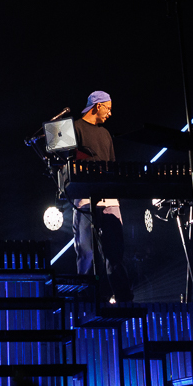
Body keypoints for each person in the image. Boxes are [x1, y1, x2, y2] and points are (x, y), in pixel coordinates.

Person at [70, 91, 132, 302]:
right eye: (108, 108)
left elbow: (112, 166)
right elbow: (68, 162)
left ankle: (124, 300)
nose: (110, 113)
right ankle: (85, 301)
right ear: (97, 106)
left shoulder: (105, 134)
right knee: (86, 253)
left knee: (115, 253)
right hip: (85, 200)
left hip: (110, 200)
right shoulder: (75, 128)